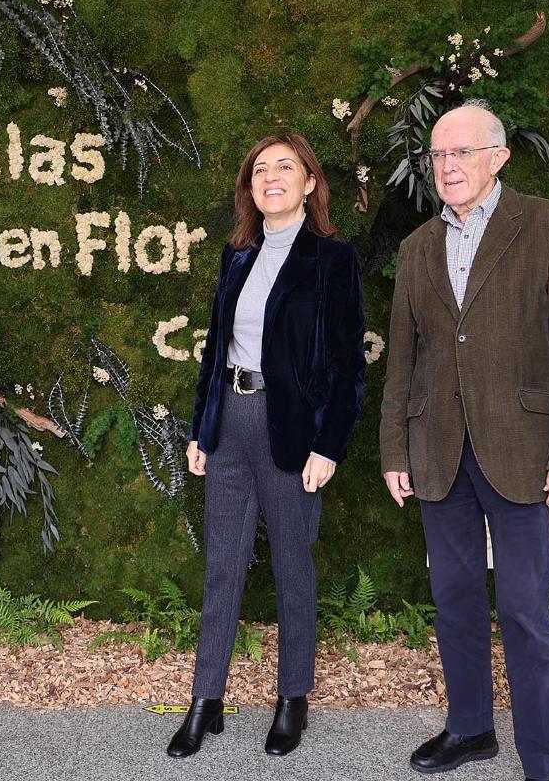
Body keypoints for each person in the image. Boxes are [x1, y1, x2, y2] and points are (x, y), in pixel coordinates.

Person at [379, 100, 549, 781]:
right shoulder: (419, 247)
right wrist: (395, 450)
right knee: (453, 601)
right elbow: (403, 360)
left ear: (499, 157)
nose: (447, 166)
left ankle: (543, 760)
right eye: (438, 155)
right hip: (438, 451)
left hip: (524, 452)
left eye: (462, 152)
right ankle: (471, 729)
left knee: (526, 611)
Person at [169, 133, 366, 759]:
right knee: (222, 566)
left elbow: (347, 366)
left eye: (286, 166)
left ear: (310, 182)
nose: (271, 177)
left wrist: (328, 447)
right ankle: (207, 699)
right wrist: (203, 429)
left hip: (293, 435)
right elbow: (214, 350)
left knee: (292, 570)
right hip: (230, 427)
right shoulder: (237, 257)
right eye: (260, 169)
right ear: (250, 188)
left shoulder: (333, 260)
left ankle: (293, 699)